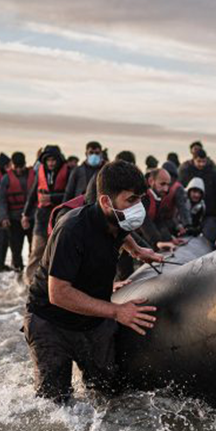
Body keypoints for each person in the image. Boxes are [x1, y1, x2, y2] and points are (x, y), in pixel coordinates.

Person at [24, 160, 164, 403]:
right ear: (105, 201)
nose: (137, 206)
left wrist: (136, 250)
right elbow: (58, 293)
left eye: (140, 199)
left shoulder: (118, 220)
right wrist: (117, 311)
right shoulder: (72, 229)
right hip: (51, 321)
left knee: (110, 396)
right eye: (131, 200)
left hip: (92, 320)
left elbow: (122, 233)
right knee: (56, 405)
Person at [22, 145, 68, 285]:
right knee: (37, 250)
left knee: (56, 252)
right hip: (41, 217)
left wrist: (52, 198)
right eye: (48, 160)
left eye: (54, 160)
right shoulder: (40, 172)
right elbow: (32, 195)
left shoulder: (69, 172)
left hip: (59, 217)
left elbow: (70, 194)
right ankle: (29, 283)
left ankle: (53, 284)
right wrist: (25, 214)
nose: (51, 163)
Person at [0, 152, 35, 272]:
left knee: (34, 248)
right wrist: (4, 217)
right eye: (16, 167)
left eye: (21, 166)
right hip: (14, 220)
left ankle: (32, 272)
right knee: (16, 249)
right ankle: (18, 271)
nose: (19, 169)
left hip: (32, 218)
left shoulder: (33, 175)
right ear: (12, 165)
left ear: (25, 164)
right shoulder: (6, 179)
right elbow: (2, 200)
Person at [178, 148, 216, 242]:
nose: (201, 164)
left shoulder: (213, 173)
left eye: (203, 161)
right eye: (199, 161)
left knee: (209, 238)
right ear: (193, 160)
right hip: (189, 211)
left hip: (209, 213)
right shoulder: (186, 171)